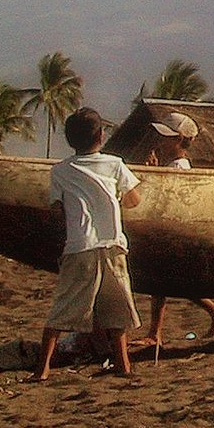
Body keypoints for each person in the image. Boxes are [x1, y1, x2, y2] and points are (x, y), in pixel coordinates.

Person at [33, 106, 141, 381]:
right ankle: (123, 365)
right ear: (102, 136)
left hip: (80, 245)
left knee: (63, 308)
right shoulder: (115, 164)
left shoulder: (60, 171)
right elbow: (134, 200)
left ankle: (42, 370)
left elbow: (57, 209)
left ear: (70, 140)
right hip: (112, 245)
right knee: (117, 310)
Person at [137, 111, 214, 346]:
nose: (161, 141)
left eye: (167, 137)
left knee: (161, 282)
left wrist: (152, 174)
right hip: (169, 231)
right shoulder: (172, 166)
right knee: (172, 281)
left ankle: (155, 334)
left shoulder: (179, 168)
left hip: (172, 232)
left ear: (180, 140)